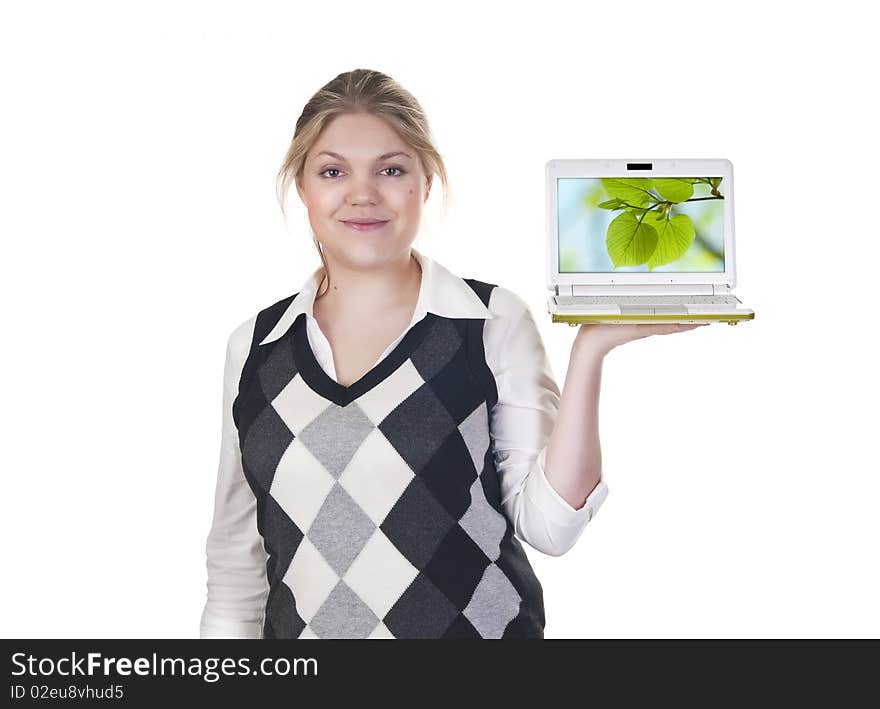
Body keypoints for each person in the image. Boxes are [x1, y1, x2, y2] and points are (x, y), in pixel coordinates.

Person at [199, 68, 706, 640]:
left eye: (391, 170)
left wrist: (591, 350)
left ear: (426, 183)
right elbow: (236, 573)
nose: (363, 193)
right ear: (303, 190)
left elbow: (551, 528)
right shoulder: (255, 349)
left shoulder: (489, 324)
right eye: (333, 171)